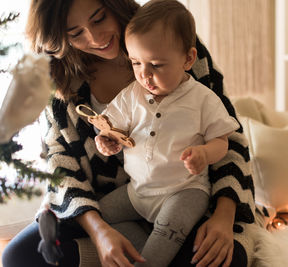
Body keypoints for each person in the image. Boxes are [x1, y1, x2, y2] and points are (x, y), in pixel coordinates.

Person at [2, 0, 257, 266]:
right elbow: (60, 164)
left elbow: (230, 139)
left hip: (188, 199)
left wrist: (223, 216)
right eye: (75, 33)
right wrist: (99, 231)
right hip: (117, 206)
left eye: (99, 18)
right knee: (19, 256)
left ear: (114, 5)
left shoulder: (169, 39)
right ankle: (132, 252)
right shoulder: (58, 76)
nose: (95, 38)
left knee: (220, 257)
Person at [94, 1, 239, 265]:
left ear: (188, 59)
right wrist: (107, 139)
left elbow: (222, 142)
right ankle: (150, 252)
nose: (144, 75)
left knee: (167, 230)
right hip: (138, 191)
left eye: (157, 65)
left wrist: (205, 153)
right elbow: (110, 125)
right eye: (136, 63)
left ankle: (154, 255)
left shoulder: (202, 99)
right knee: (99, 215)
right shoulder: (132, 95)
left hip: (184, 191)